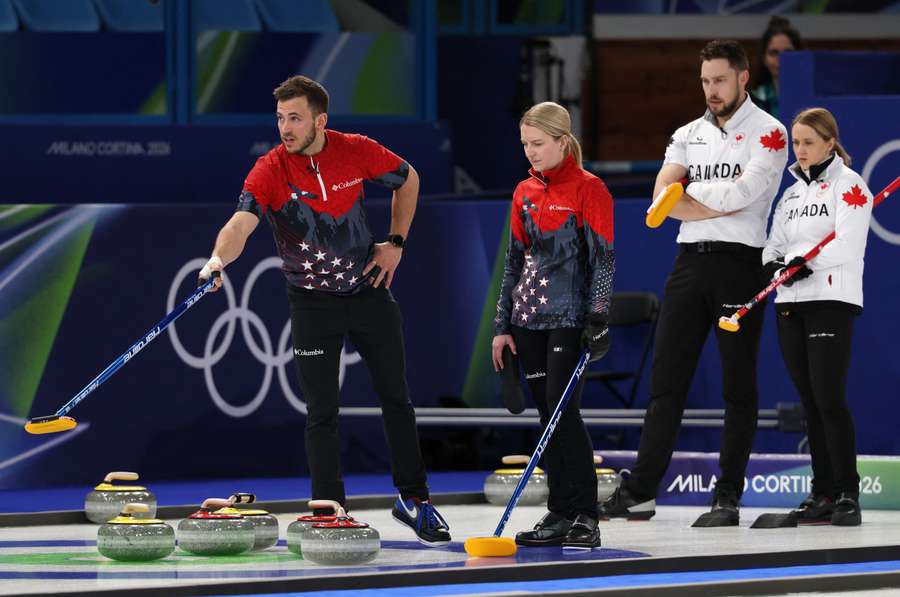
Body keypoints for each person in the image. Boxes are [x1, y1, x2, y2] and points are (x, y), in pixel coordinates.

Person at [197, 75, 451, 546]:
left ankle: (414, 500)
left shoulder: (354, 149)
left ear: (320, 120)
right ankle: (330, 512)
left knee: (396, 397)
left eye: (294, 118)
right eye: (279, 118)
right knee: (321, 412)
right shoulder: (270, 169)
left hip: (368, 291)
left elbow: (408, 178)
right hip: (311, 302)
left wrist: (396, 242)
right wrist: (217, 259)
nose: (285, 128)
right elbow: (240, 224)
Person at [599, 40, 788, 526]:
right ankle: (640, 491)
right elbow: (660, 195)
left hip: (741, 265)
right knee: (666, 383)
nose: (711, 90)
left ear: (743, 77)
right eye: (705, 81)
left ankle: (727, 497)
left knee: (737, 386)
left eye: (720, 80)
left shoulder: (771, 131)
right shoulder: (687, 132)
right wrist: (701, 200)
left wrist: (686, 197)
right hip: (688, 264)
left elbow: (747, 193)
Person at [492, 101, 615, 549]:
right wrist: (501, 325)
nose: (531, 153)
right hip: (528, 318)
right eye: (525, 144)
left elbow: (603, 257)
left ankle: (586, 513)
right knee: (547, 414)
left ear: (563, 141)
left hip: (570, 318)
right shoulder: (523, 191)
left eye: (538, 144)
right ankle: (561, 512)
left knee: (562, 413)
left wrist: (598, 317)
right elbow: (512, 261)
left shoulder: (590, 189)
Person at [762, 107, 870, 527]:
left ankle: (847, 492)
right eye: (796, 142)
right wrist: (776, 265)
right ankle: (822, 491)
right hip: (790, 302)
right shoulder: (790, 195)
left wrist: (805, 260)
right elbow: (773, 245)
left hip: (831, 299)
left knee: (828, 396)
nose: (800, 150)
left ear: (829, 141)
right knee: (809, 401)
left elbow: (848, 243)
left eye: (809, 142)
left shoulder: (849, 186)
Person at [751, 16, 804, 120]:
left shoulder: (812, 99)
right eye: (774, 53)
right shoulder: (753, 100)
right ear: (764, 58)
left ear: (799, 56)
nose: (781, 59)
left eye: (788, 52)